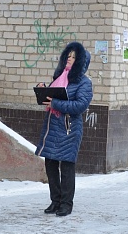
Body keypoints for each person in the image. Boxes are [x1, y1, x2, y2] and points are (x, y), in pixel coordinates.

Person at [35, 42, 93, 217]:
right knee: (50, 164)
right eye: (68, 56)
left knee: (67, 166)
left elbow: (80, 105)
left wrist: (55, 103)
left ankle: (66, 204)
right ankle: (55, 201)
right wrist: (44, 91)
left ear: (81, 62)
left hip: (69, 129)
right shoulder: (59, 77)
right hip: (52, 127)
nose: (70, 59)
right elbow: (53, 98)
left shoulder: (84, 83)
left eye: (74, 57)